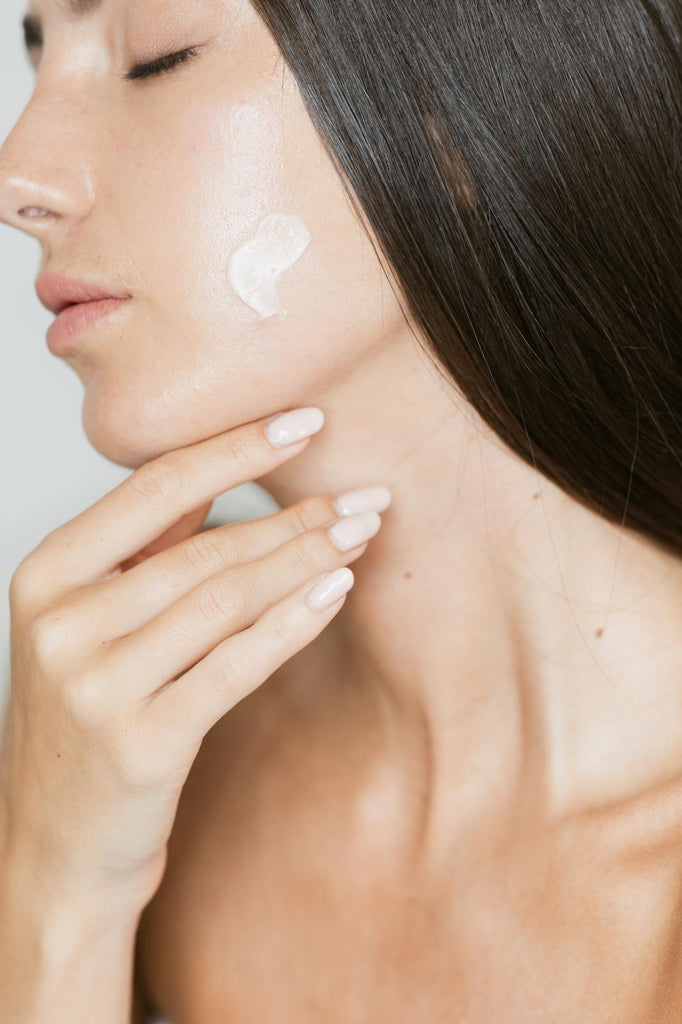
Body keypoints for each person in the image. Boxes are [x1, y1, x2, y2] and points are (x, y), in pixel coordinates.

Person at [0, 0, 680, 1020]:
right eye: (36, 56)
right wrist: (57, 906)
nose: (21, 179)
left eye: (155, 55)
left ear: (459, 114)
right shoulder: (117, 759)